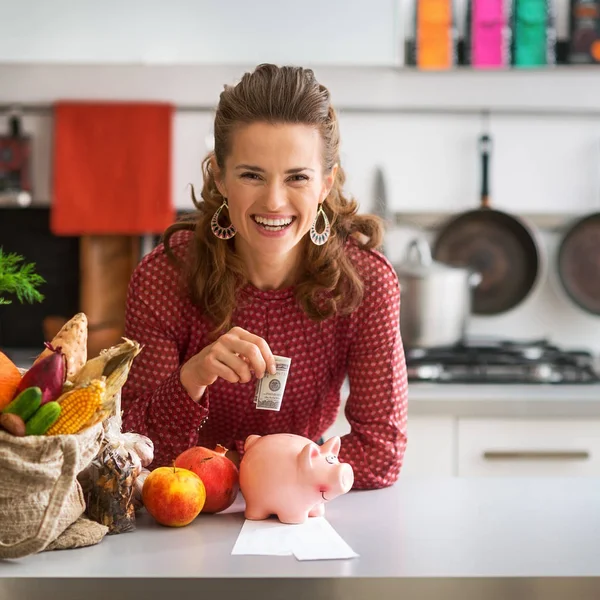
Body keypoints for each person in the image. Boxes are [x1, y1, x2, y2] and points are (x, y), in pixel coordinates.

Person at [121, 64, 408, 490]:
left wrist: (256, 471)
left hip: (305, 515)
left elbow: (382, 452)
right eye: (252, 175)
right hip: (189, 508)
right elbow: (131, 448)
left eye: (297, 178)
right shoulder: (165, 276)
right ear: (220, 176)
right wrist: (192, 377)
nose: (274, 202)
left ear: (325, 184)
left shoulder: (365, 283)